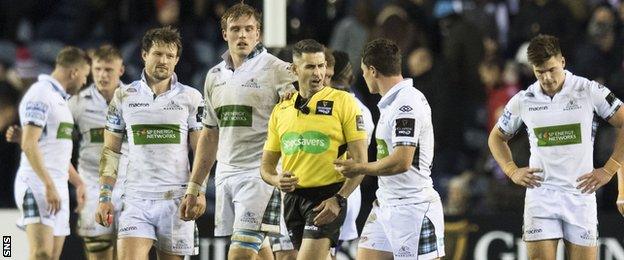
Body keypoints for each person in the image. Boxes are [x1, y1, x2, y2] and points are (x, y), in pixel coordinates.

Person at [177, 3, 297, 260]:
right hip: (226, 175)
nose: (242, 35)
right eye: (235, 29)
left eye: (248, 29)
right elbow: (209, 135)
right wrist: (195, 186)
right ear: (224, 34)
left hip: (262, 177)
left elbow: (300, 116)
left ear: (258, 33)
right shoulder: (214, 76)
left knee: (239, 254)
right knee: (260, 251)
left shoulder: (279, 70)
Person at [488, 34, 624, 260]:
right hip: (541, 195)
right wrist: (511, 170)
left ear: (562, 61)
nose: (547, 78)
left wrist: (610, 169)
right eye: (540, 72)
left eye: (552, 69)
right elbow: (496, 138)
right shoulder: (524, 99)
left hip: (580, 194)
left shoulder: (588, 90)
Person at [95, 26, 205, 260]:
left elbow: (201, 150)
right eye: (157, 53)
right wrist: (104, 197)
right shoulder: (123, 96)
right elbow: (110, 151)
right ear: (144, 55)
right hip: (136, 200)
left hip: (176, 201)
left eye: (169, 55)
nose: (163, 60)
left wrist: (199, 191)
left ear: (177, 60)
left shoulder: (191, 98)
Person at [334, 38, 445, 260]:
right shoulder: (391, 103)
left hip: (412, 208)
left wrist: (359, 167)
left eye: (364, 71)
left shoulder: (407, 104)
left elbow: (402, 161)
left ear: (373, 71)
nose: (363, 77)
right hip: (385, 203)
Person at [260, 39, 368, 260]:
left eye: (321, 66)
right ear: (294, 70)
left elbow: (361, 162)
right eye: (310, 66)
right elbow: (266, 167)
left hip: (326, 196)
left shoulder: (344, 102)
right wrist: (276, 180)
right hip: (292, 199)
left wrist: (339, 199)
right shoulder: (281, 109)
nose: (318, 73)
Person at [14, 46, 90, 260]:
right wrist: (48, 184)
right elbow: (29, 144)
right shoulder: (41, 94)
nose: (85, 82)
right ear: (74, 72)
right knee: (41, 254)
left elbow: (56, 152)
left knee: (52, 256)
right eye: (85, 76)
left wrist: (78, 183)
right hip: (37, 184)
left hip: (57, 187)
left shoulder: (60, 101)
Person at [71, 45, 128, 260]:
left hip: (129, 184)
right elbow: (57, 142)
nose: (102, 75)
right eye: (98, 69)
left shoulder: (134, 98)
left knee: (129, 253)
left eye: (108, 69)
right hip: (92, 184)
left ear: (121, 70)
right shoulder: (77, 103)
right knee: (99, 255)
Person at [325, 50, 374, 257]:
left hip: (332, 190)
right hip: (351, 193)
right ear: (352, 78)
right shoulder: (364, 110)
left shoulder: (330, 107)